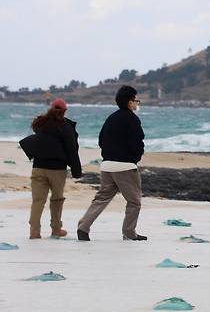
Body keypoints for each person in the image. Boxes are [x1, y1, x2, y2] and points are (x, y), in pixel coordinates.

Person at [77, 85, 146, 241]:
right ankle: (129, 233)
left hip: (107, 165)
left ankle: (83, 226)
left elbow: (101, 140)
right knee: (134, 201)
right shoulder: (132, 119)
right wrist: (135, 157)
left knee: (101, 198)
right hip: (126, 167)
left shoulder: (111, 118)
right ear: (130, 102)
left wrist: (109, 155)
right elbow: (137, 142)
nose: (137, 104)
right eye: (136, 100)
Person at [25, 98, 81, 239]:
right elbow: (72, 150)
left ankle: (34, 231)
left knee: (38, 201)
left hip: (38, 167)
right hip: (57, 170)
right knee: (56, 200)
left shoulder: (41, 124)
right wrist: (76, 171)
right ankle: (56, 229)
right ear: (64, 111)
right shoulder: (66, 127)